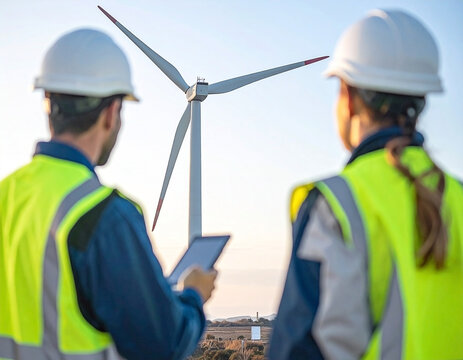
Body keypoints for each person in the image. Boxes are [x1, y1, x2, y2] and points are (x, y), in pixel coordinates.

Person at [0, 28, 217, 360]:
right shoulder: (105, 216)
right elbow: (163, 345)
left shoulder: (7, 195)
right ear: (111, 112)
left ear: (48, 104)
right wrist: (192, 297)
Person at [269, 9, 463, 360]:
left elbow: (298, 347)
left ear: (348, 95)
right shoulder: (458, 198)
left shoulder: (336, 204)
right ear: (421, 101)